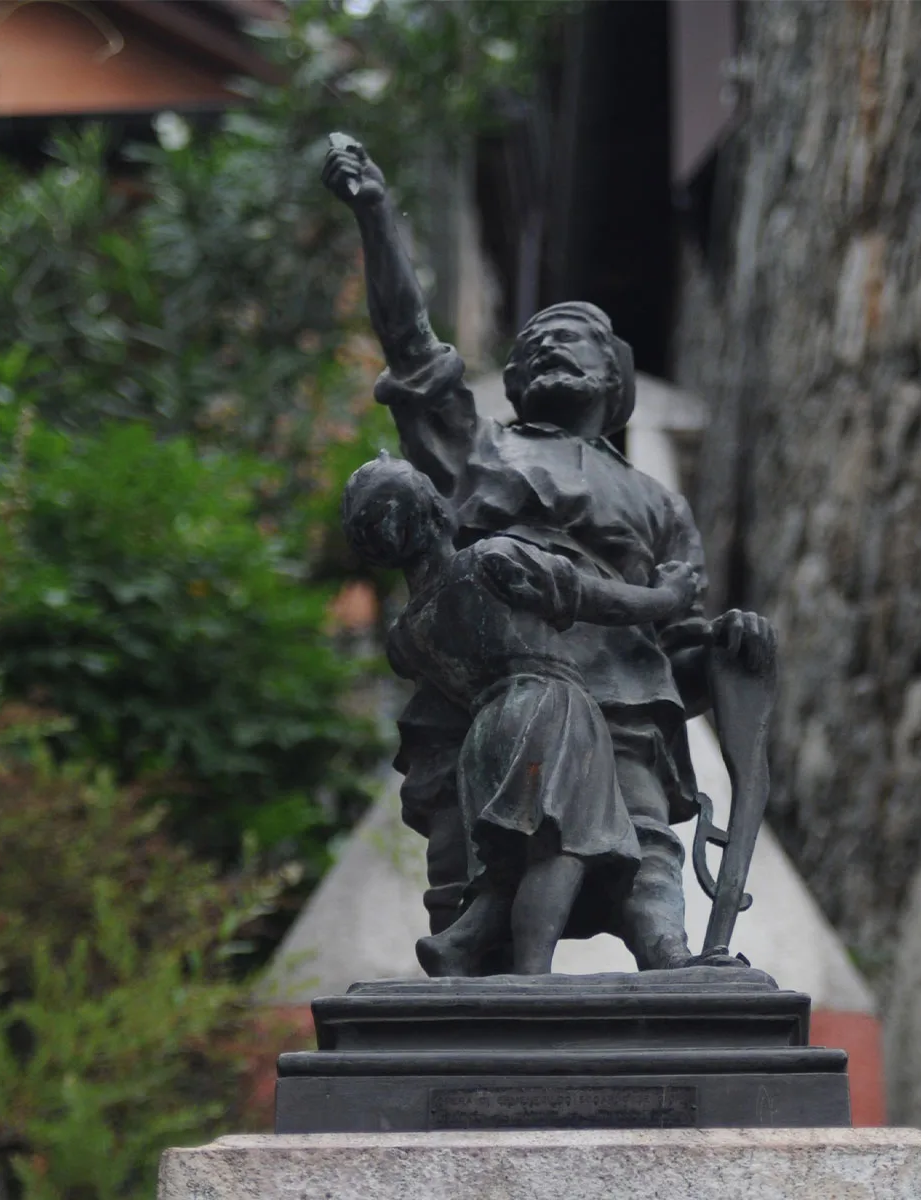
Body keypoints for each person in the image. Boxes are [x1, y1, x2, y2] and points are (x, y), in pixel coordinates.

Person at [323, 135, 775, 970]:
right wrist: (378, 214)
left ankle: (671, 959)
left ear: (615, 379)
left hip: (627, 706)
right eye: (532, 345)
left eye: (575, 339)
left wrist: (725, 646)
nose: (548, 348)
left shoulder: (660, 506)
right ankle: (479, 972)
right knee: (488, 862)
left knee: (646, 843)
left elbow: (675, 645)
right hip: (499, 698)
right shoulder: (482, 455)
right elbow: (411, 347)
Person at [340, 453, 702, 975]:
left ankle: (460, 942)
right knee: (565, 843)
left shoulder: (406, 634)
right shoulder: (493, 559)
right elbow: (601, 600)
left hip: (481, 737)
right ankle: (532, 973)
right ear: (438, 511)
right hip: (548, 707)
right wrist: (669, 595)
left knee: (506, 859)